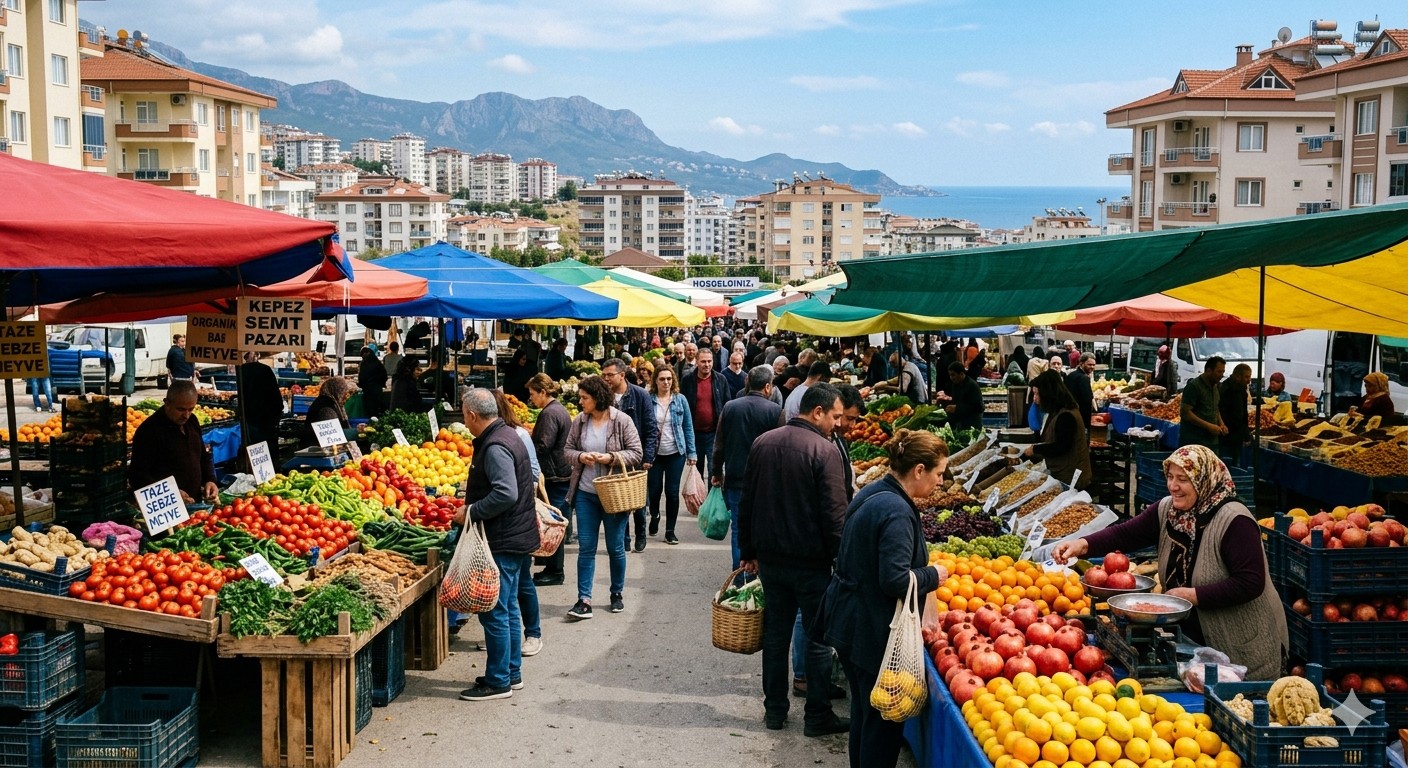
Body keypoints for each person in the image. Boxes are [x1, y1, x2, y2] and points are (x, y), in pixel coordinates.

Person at [1052, 445, 1287, 680]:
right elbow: (1126, 534)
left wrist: (1192, 596)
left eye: (1183, 479)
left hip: (1240, 644)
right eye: (1170, 477)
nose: (1173, 486)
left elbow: (1251, 582)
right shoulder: (1169, 510)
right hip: (1193, 642)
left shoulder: (1234, 520)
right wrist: (1081, 545)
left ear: (1203, 480)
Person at [820, 429, 949, 768]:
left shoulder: (875, 492)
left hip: (849, 621)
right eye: (938, 474)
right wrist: (933, 575)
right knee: (881, 726)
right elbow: (893, 579)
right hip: (870, 630)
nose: (940, 481)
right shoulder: (896, 511)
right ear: (918, 470)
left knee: (865, 715)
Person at [739, 383, 850, 737]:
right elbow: (835, 516)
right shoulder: (824, 450)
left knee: (775, 637)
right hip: (811, 563)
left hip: (772, 560)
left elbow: (747, 500)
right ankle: (817, 715)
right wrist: (842, 560)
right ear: (817, 412)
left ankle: (775, 711)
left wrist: (748, 551)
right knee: (817, 640)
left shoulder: (763, 443)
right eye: (834, 417)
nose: (837, 424)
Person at [453, 388, 540, 700]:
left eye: (464, 416)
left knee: (495, 612)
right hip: (515, 535)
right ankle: (510, 673)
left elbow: (505, 493)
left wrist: (471, 511)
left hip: (502, 538)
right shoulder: (508, 434)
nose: (464, 421)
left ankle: (499, 681)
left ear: (473, 416)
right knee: (508, 608)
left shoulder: (494, 446)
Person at [563, 375, 643, 620]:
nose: (580, 401)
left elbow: (636, 453)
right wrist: (580, 457)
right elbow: (567, 450)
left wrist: (611, 458)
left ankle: (616, 592)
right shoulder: (580, 421)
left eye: (584, 398)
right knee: (586, 547)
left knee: (615, 547)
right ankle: (583, 599)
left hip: (613, 494)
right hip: (586, 493)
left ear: (597, 398)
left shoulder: (622, 421)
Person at [712, 365, 783, 569]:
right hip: (765, 482)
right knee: (763, 526)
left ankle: (740, 572)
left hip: (736, 478)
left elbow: (719, 445)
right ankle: (758, 572)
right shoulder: (776, 412)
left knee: (738, 529)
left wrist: (717, 472)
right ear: (768, 387)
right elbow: (780, 452)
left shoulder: (730, 407)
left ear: (747, 383)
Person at [489, 389, 543, 656]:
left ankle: (533, 634)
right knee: (509, 592)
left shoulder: (516, 435)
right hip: (514, 522)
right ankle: (507, 644)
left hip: (516, 522)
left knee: (520, 584)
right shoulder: (495, 439)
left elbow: (533, 472)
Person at [601, 358, 658, 553]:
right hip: (613, 457)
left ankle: (640, 533)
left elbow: (651, 428)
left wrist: (648, 457)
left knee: (638, 498)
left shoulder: (640, 395)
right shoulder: (604, 396)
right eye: (604, 375)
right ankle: (623, 538)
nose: (606, 379)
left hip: (637, 455)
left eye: (610, 375)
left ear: (622, 375)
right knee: (619, 499)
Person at [129, 381, 217, 504]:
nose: (186, 415)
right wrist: (170, 493)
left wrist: (210, 480)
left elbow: (202, 455)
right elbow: (138, 476)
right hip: (169, 508)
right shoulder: (149, 430)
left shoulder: (192, 421)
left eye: (191, 409)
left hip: (195, 504)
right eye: (181, 409)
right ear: (167, 403)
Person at [527, 374, 574, 587]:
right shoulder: (557, 410)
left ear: (543, 392)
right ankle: (551, 567)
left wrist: (524, 453)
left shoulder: (549, 413)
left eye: (532, 394)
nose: (531, 399)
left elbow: (543, 445)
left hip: (556, 474)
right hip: (561, 472)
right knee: (556, 521)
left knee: (554, 524)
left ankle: (556, 571)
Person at [646, 365, 695, 545]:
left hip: (676, 452)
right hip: (654, 454)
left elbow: (688, 426)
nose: (666, 382)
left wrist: (692, 452)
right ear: (656, 381)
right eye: (662, 379)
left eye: (669, 379)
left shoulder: (680, 400)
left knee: (672, 492)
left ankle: (670, 531)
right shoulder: (649, 400)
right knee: (655, 490)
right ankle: (655, 515)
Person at [1023, 370, 1092, 490]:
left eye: (1037, 394)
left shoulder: (1066, 415)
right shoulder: (1056, 411)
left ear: (1048, 394)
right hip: (1062, 473)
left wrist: (1035, 449)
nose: (1035, 399)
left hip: (1071, 478)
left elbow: (1062, 446)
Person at [681, 347, 730, 483]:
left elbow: (726, 405)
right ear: (696, 361)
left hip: (714, 434)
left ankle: (711, 501)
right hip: (695, 434)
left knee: (714, 470)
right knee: (697, 472)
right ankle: (699, 502)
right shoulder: (688, 380)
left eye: (709, 361)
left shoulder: (721, 380)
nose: (706, 365)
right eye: (703, 361)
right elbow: (683, 406)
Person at [239, 352, 284, 456]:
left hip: (248, 422)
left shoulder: (241, 370)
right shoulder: (265, 370)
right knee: (268, 456)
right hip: (266, 423)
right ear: (257, 355)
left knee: (254, 454)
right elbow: (277, 400)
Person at [1180, 356, 1227, 450]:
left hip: (1212, 442)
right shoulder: (1194, 386)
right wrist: (1209, 426)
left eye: (1223, 372)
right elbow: (1185, 413)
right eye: (1219, 371)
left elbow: (1215, 408)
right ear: (1209, 370)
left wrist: (1221, 423)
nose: (1222, 375)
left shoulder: (1216, 386)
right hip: (1194, 442)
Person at [302, 376, 358, 448]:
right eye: (343, 392)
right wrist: (355, 432)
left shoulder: (333, 403)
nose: (345, 396)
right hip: (316, 448)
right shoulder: (326, 407)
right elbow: (332, 435)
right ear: (337, 390)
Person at [1219, 363, 1252, 466]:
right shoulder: (1233, 391)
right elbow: (1239, 416)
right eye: (1247, 377)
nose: (1249, 380)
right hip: (1231, 437)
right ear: (1238, 376)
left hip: (1227, 435)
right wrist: (1245, 435)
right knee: (1230, 465)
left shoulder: (1226, 385)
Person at [943, 361, 983, 431]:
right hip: (960, 425)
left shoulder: (972, 386)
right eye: (950, 375)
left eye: (953, 375)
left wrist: (957, 408)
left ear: (961, 374)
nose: (951, 378)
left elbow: (979, 407)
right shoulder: (955, 385)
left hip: (972, 426)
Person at [357, 345, 388, 418]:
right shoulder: (377, 363)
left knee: (369, 410)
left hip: (367, 391)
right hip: (377, 390)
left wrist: (360, 385)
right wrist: (381, 384)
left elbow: (362, 378)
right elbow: (384, 375)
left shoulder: (364, 364)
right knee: (377, 409)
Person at [1066, 352, 1096, 426]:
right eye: (1089, 364)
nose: (1092, 367)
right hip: (1079, 416)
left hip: (1069, 413)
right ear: (1081, 364)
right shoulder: (1084, 378)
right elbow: (1087, 400)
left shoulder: (1071, 375)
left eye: (1093, 365)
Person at [26, 346, 57, 412]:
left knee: (35, 390)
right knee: (47, 390)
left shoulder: (31, 351)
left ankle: (38, 405)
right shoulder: (45, 351)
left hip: (35, 371)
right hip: (44, 372)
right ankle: (50, 405)